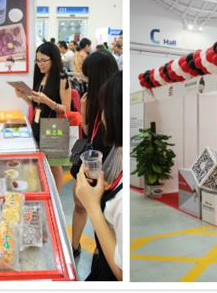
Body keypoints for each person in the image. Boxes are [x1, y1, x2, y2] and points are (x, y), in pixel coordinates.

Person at [70, 51, 118, 262]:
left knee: (102, 213)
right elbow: (89, 133)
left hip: (104, 168)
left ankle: (102, 251)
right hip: (88, 160)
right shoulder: (93, 99)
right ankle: (74, 244)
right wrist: (84, 110)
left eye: (89, 77)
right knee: (80, 204)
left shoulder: (113, 104)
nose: (86, 82)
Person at [76, 71, 123, 281]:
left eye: (105, 109)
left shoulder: (122, 200)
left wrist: (92, 205)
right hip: (103, 258)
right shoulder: (119, 157)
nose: (103, 116)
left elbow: (122, 273)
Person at [14, 41, 71, 192]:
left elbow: (66, 108)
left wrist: (47, 100)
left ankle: (56, 197)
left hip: (54, 126)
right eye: (38, 61)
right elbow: (36, 105)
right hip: (39, 123)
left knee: (55, 166)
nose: (40, 64)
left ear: (54, 59)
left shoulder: (62, 79)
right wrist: (24, 96)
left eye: (43, 60)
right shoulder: (41, 77)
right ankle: (47, 192)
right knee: (43, 161)